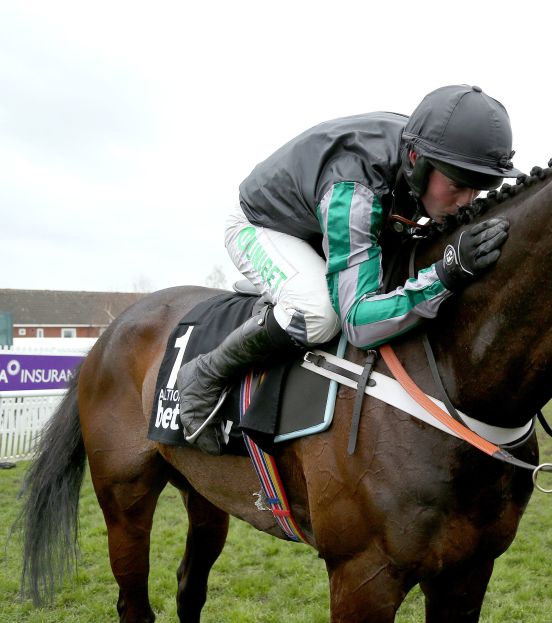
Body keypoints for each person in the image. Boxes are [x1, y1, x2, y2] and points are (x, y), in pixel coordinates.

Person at [176, 85, 522, 454]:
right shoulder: (354, 191)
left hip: (319, 218)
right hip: (261, 225)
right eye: (456, 186)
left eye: (481, 188)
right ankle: (205, 373)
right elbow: (358, 322)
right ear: (416, 160)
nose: (466, 202)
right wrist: (447, 274)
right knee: (319, 314)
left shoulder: (427, 150)